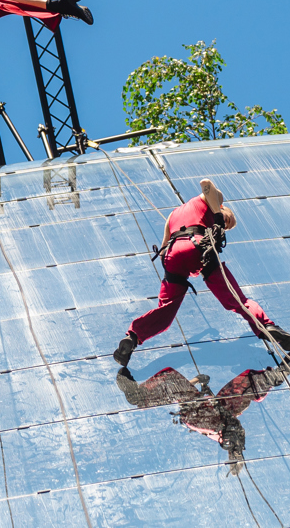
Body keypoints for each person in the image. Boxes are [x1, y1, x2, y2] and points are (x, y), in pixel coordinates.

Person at [113, 178, 290, 367]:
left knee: (165, 314)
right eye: (229, 221)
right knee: (238, 300)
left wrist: (176, 275)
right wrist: (219, 217)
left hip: (173, 256)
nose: (226, 226)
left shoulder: (173, 215)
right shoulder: (211, 199)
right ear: (223, 208)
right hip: (198, 246)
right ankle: (267, 326)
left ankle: (132, 338)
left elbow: (164, 249)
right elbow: (206, 183)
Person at [116, 360, 290, 475]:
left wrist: (234, 454)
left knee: (172, 379)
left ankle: (139, 397)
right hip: (208, 414)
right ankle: (276, 375)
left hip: (202, 416)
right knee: (235, 394)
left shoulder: (212, 424)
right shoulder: (224, 419)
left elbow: (225, 431)